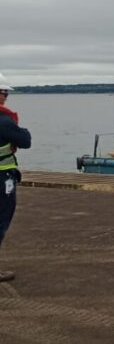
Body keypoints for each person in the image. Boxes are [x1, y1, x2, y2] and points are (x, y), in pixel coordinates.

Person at [0, 73, 32, 282]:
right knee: (1, 220)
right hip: (2, 177)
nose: (5, 96)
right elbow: (25, 140)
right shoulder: (4, 121)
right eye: (4, 92)